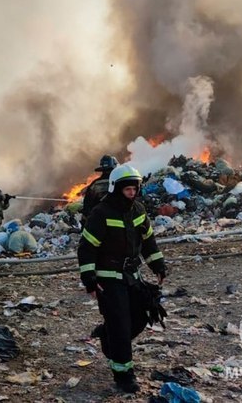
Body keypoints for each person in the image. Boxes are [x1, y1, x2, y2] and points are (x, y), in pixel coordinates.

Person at [77, 164, 166, 394]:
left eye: (135, 188)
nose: (132, 193)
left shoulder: (138, 210)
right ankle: (124, 375)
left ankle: (107, 335)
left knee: (141, 317)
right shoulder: (101, 213)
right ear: (116, 188)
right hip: (108, 279)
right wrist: (89, 278)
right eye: (128, 189)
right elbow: (87, 248)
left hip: (132, 276)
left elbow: (148, 241)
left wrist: (158, 264)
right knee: (120, 326)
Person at [82, 155, 119, 222]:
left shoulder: (95, 184)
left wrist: (86, 221)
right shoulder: (121, 181)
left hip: (99, 220)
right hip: (118, 220)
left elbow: (87, 205)